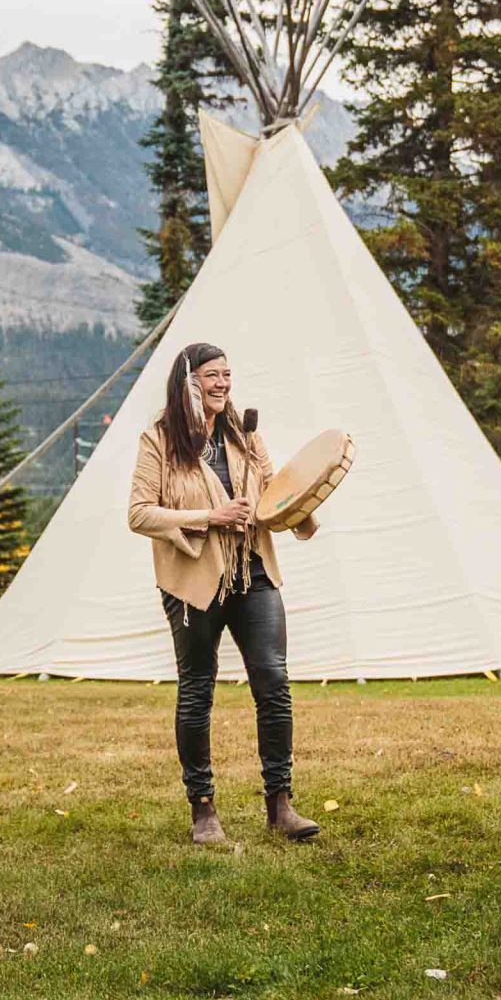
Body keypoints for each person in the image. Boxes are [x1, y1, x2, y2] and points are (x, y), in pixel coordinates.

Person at [128, 342, 322, 845]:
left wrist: (306, 509)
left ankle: (280, 804)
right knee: (198, 689)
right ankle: (203, 809)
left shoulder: (244, 434)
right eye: (213, 375)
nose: (223, 383)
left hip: (253, 570)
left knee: (273, 680)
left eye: (228, 375)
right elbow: (139, 512)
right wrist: (207, 518)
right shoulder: (160, 441)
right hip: (194, 579)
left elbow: (276, 492)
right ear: (189, 381)